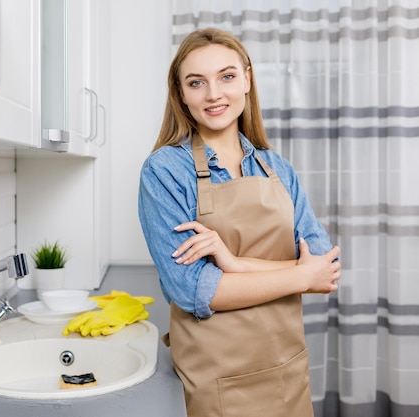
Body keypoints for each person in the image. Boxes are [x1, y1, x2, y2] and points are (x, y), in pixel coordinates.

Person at [138, 27, 341, 417]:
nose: (214, 94)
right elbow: (194, 290)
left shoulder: (277, 168)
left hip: (286, 367)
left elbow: (325, 268)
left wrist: (234, 264)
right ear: (181, 93)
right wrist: (300, 276)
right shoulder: (164, 171)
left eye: (227, 76)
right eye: (197, 83)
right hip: (217, 378)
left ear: (247, 78)